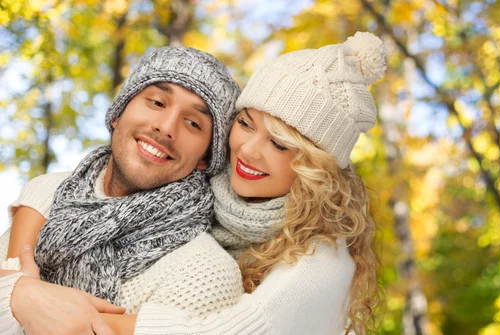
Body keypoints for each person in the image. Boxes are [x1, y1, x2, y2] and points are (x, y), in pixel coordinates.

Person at [1, 31, 386, 335]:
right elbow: (60, 187)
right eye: (246, 124)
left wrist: (53, 307)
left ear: (315, 168)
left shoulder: (320, 263)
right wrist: (23, 283)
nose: (248, 151)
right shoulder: (207, 193)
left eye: (280, 143)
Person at [0, 45, 243, 334]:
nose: (166, 127)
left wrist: (20, 294)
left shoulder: (205, 273)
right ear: (118, 114)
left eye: (193, 123)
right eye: (156, 102)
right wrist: (19, 294)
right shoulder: (48, 194)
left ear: (206, 157)